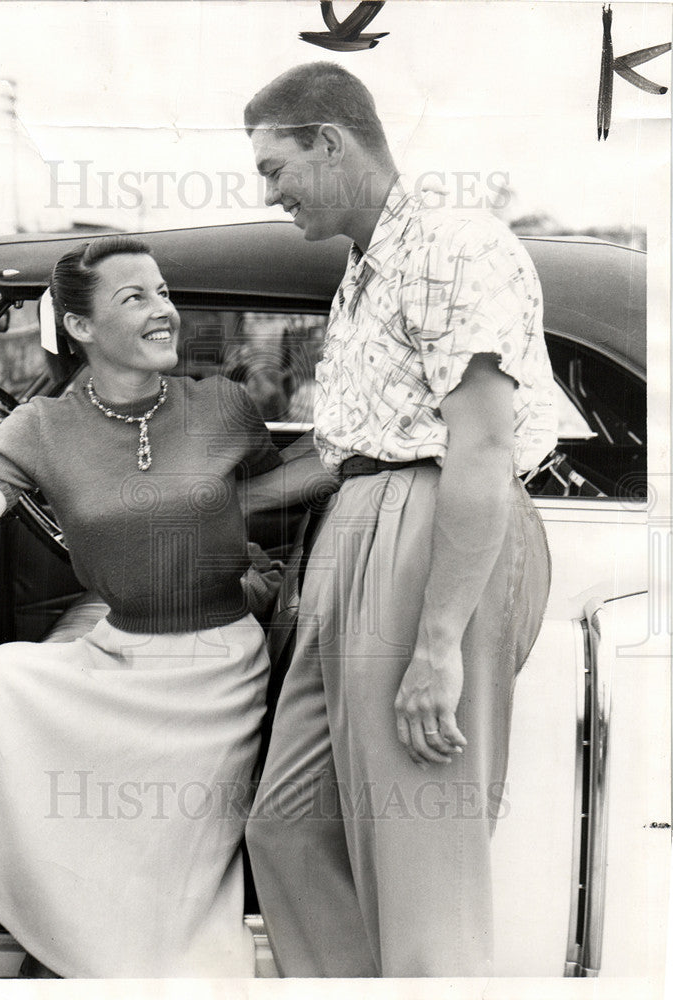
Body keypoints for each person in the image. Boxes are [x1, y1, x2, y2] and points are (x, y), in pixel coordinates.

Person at [0, 235, 332, 978]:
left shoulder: (221, 405)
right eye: (136, 298)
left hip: (216, 674)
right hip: (117, 654)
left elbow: (272, 502)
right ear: (81, 328)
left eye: (163, 293)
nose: (164, 311)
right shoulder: (38, 427)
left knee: (170, 907)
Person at [242, 62, 558, 977]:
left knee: (421, 855)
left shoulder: (454, 246)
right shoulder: (365, 265)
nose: (272, 195)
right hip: (360, 521)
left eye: (276, 169)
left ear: (331, 143)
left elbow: (483, 448)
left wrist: (438, 644)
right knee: (289, 829)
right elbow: (351, 447)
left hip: (433, 524)